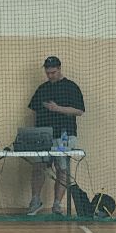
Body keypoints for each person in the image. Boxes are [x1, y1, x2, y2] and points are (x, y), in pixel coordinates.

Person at [26, 56, 85, 216]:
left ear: (59, 69)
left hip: (64, 136)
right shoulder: (42, 88)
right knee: (38, 168)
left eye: (52, 72)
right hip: (44, 136)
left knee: (62, 169)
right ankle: (35, 201)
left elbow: (79, 111)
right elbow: (34, 111)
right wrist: (34, 134)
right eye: (47, 73)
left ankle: (57, 205)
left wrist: (57, 108)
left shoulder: (71, 87)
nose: (49, 75)